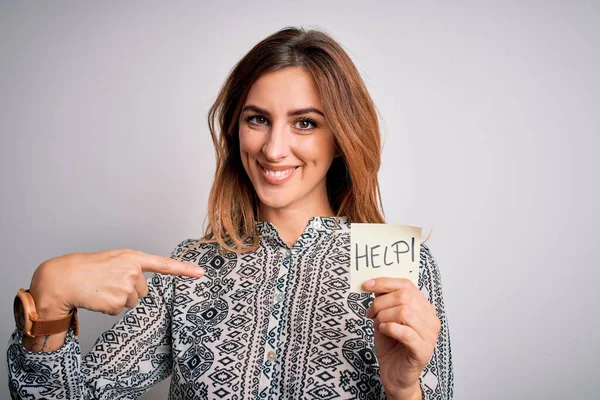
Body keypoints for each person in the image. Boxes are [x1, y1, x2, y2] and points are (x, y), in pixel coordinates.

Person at [7, 26, 453, 399]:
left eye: (305, 123)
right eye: (257, 118)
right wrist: (48, 299)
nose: (274, 149)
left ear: (340, 138)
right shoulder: (190, 270)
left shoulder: (401, 267)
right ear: (235, 129)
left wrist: (403, 389)